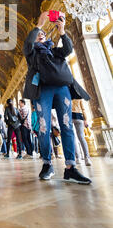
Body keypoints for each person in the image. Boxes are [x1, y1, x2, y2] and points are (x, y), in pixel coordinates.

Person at [23, 10, 91, 184]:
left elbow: (68, 49)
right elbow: (27, 45)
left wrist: (62, 30)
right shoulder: (32, 54)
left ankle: (70, 168)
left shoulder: (55, 51)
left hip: (62, 89)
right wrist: (38, 25)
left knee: (67, 125)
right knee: (44, 128)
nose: (40, 35)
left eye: (43, 34)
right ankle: (47, 164)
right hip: (42, 90)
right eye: (37, 34)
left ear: (46, 38)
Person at [72, 99, 92, 166]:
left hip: (70, 117)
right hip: (79, 116)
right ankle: (87, 158)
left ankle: (78, 158)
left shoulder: (66, 94)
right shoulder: (79, 97)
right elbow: (83, 109)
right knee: (81, 138)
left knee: (73, 138)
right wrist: (85, 120)